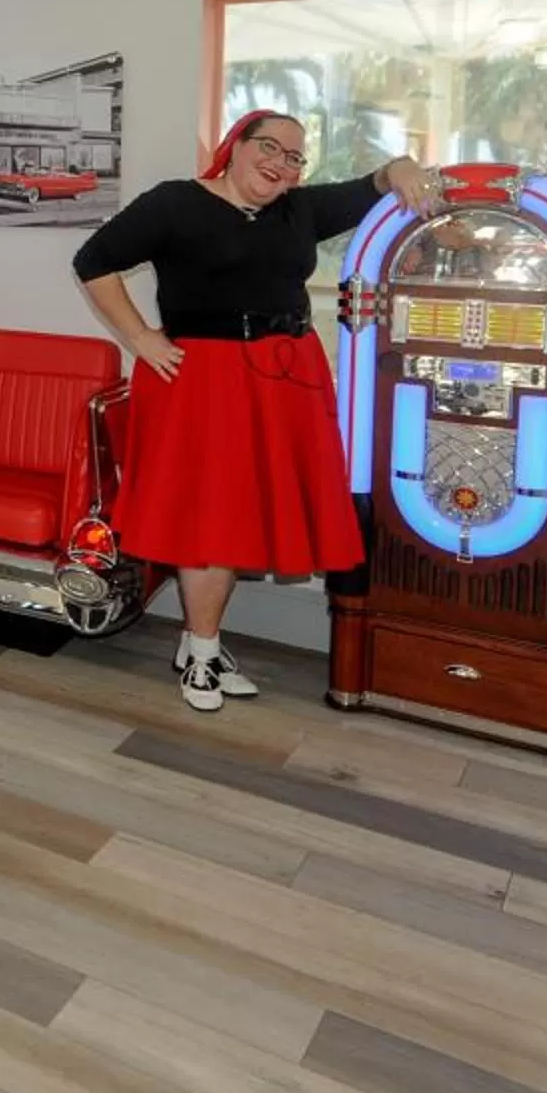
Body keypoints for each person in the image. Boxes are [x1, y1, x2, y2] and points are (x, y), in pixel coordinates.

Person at [72, 112, 435, 710]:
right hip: (202, 380)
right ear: (233, 147)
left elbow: (373, 185)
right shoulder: (175, 203)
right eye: (269, 147)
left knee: (240, 515)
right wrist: (139, 337)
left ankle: (199, 646)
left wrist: (400, 167)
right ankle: (203, 654)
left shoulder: (300, 210)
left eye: (294, 158)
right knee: (210, 519)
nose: (280, 164)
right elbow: (93, 261)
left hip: (282, 378)